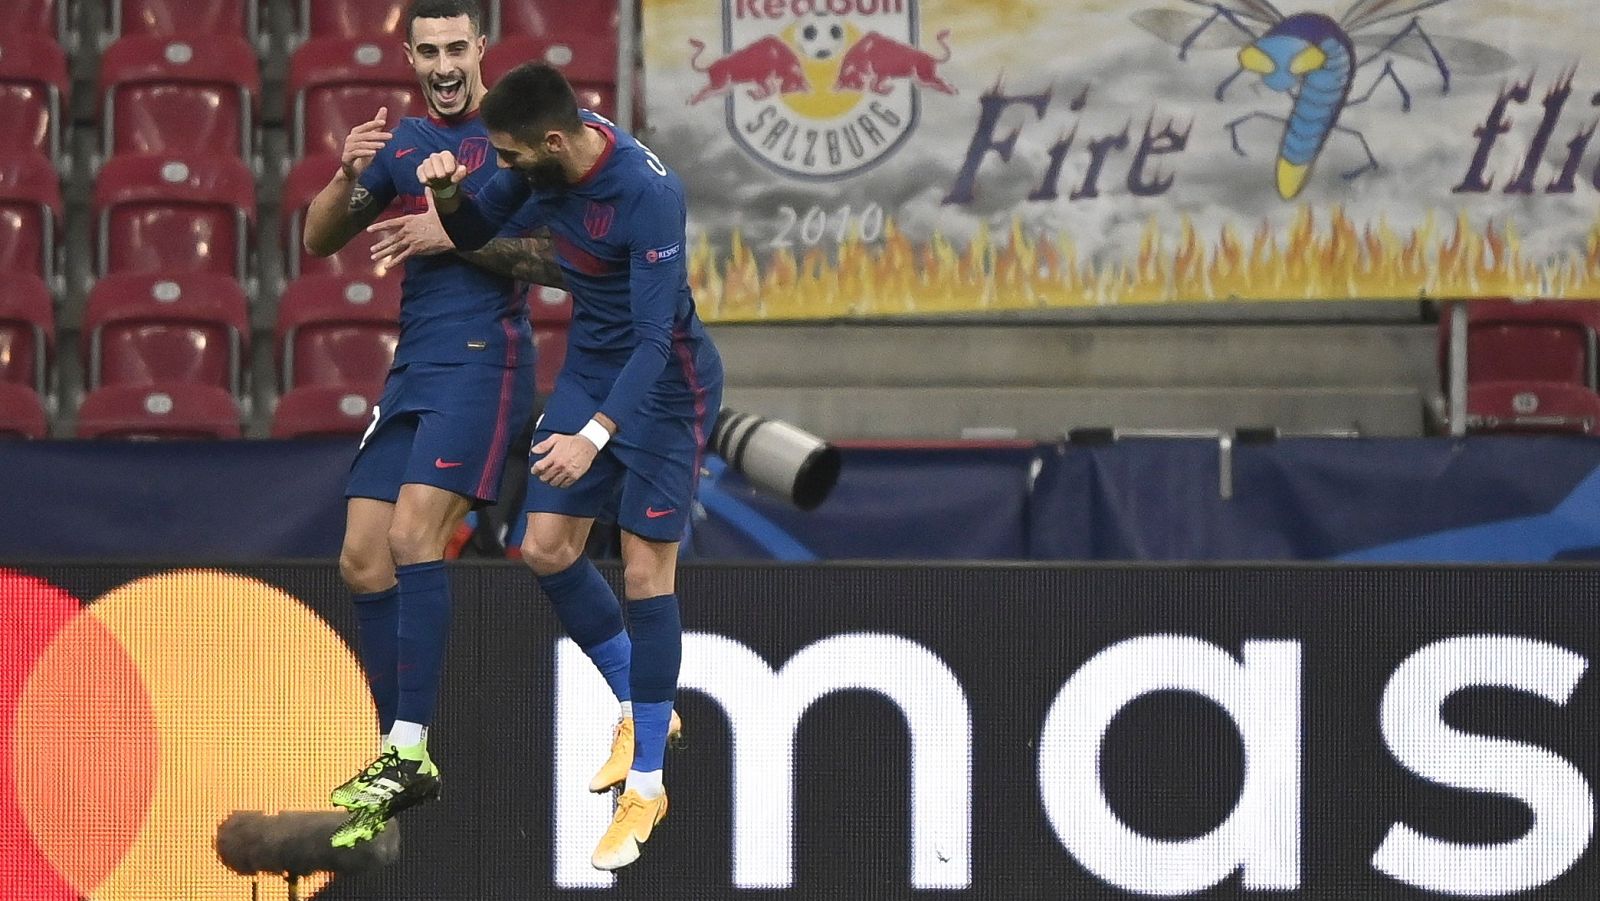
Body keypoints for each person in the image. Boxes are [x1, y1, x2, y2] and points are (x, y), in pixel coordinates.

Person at [399, 63, 723, 871]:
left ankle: (646, 782)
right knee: (544, 546)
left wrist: (595, 436)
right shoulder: (534, 169)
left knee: (648, 575)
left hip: (664, 389)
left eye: (508, 156)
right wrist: (445, 196)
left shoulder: (649, 192)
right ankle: (637, 700)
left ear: (551, 141)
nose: (500, 167)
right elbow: (475, 235)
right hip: (588, 371)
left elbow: (654, 342)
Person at [300, 0, 562, 848]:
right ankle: (391, 752)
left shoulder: (520, 136)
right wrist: (346, 175)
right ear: (409, 56)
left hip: (488, 363)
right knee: (360, 555)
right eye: (428, 51)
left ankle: (410, 749)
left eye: (457, 46)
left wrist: (450, 227)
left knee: (417, 535)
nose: (444, 63)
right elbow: (317, 238)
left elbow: (549, 263)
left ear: (482, 47)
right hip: (413, 366)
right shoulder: (404, 143)